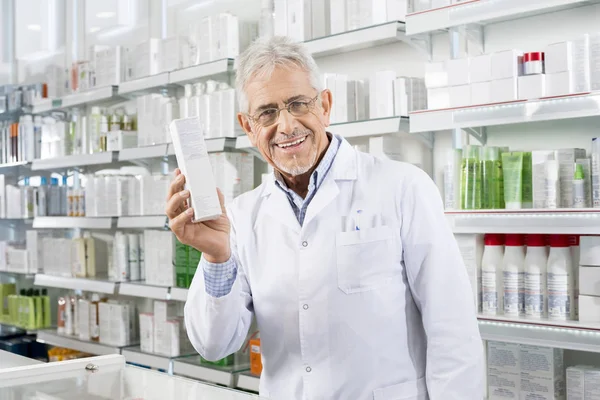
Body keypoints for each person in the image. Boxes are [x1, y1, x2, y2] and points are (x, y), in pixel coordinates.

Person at [166, 36, 483, 400]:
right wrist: (216, 257)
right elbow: (212, 344)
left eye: (299, 104)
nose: (285, 126)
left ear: (326, 105)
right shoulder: (240, 217)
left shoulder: (403, 187)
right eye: (267, 112)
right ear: (248, 126)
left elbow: (452, 328)